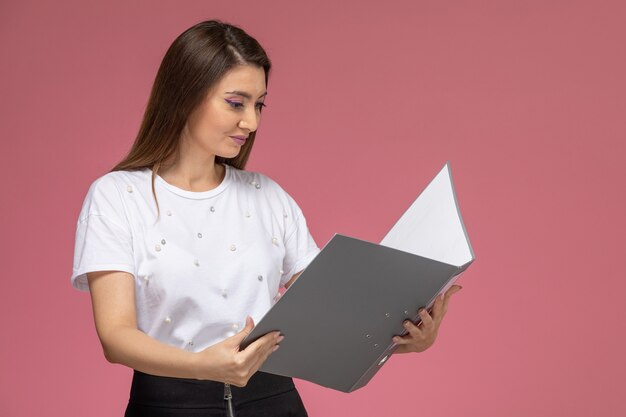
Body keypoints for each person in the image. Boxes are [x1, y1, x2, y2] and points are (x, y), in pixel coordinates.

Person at [71, 19, 461, 417]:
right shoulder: (117, 196)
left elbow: (331, 312)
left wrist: (396, 334)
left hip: (275, 403)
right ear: (184, 95)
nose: (252, 122)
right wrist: (202, 366)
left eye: (259, 104)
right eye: (236, 103)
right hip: (168, 406)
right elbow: (115, 337)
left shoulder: (268, 196)